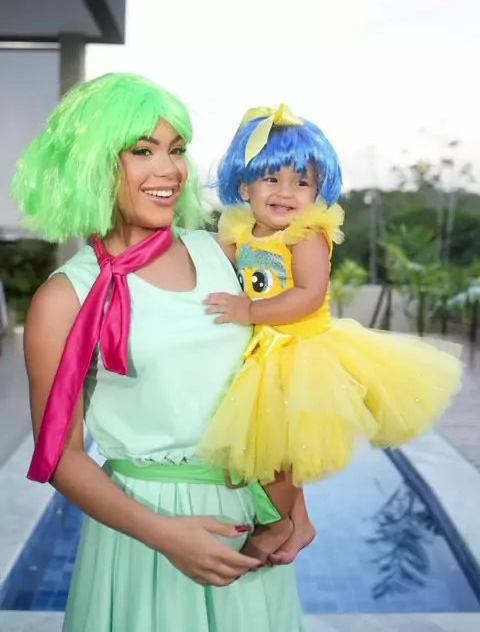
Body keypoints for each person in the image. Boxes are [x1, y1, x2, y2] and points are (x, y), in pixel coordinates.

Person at [11, 75, 305, 632]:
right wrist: (165, 535)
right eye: (143, 151)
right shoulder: (66, 298)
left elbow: (272, 378)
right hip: (146, 533)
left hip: (248, 524)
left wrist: (294, 506)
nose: (169, 170)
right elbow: (61, 456)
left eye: (176, 149)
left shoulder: (224, 252)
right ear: (94, 163)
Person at [199, 104, 464, 564]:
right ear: (244, 186)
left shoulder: (307, 236)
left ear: (317, 190)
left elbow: (307, 295)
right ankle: (298, 521)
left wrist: (249, 309)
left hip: (300, 350)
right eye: (272, 178)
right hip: (264, 349)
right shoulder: (241, 231)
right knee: (268, 443)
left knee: (277, 452)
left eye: (301, 182)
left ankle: (277, 524)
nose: (286, 192)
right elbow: (214, 266)